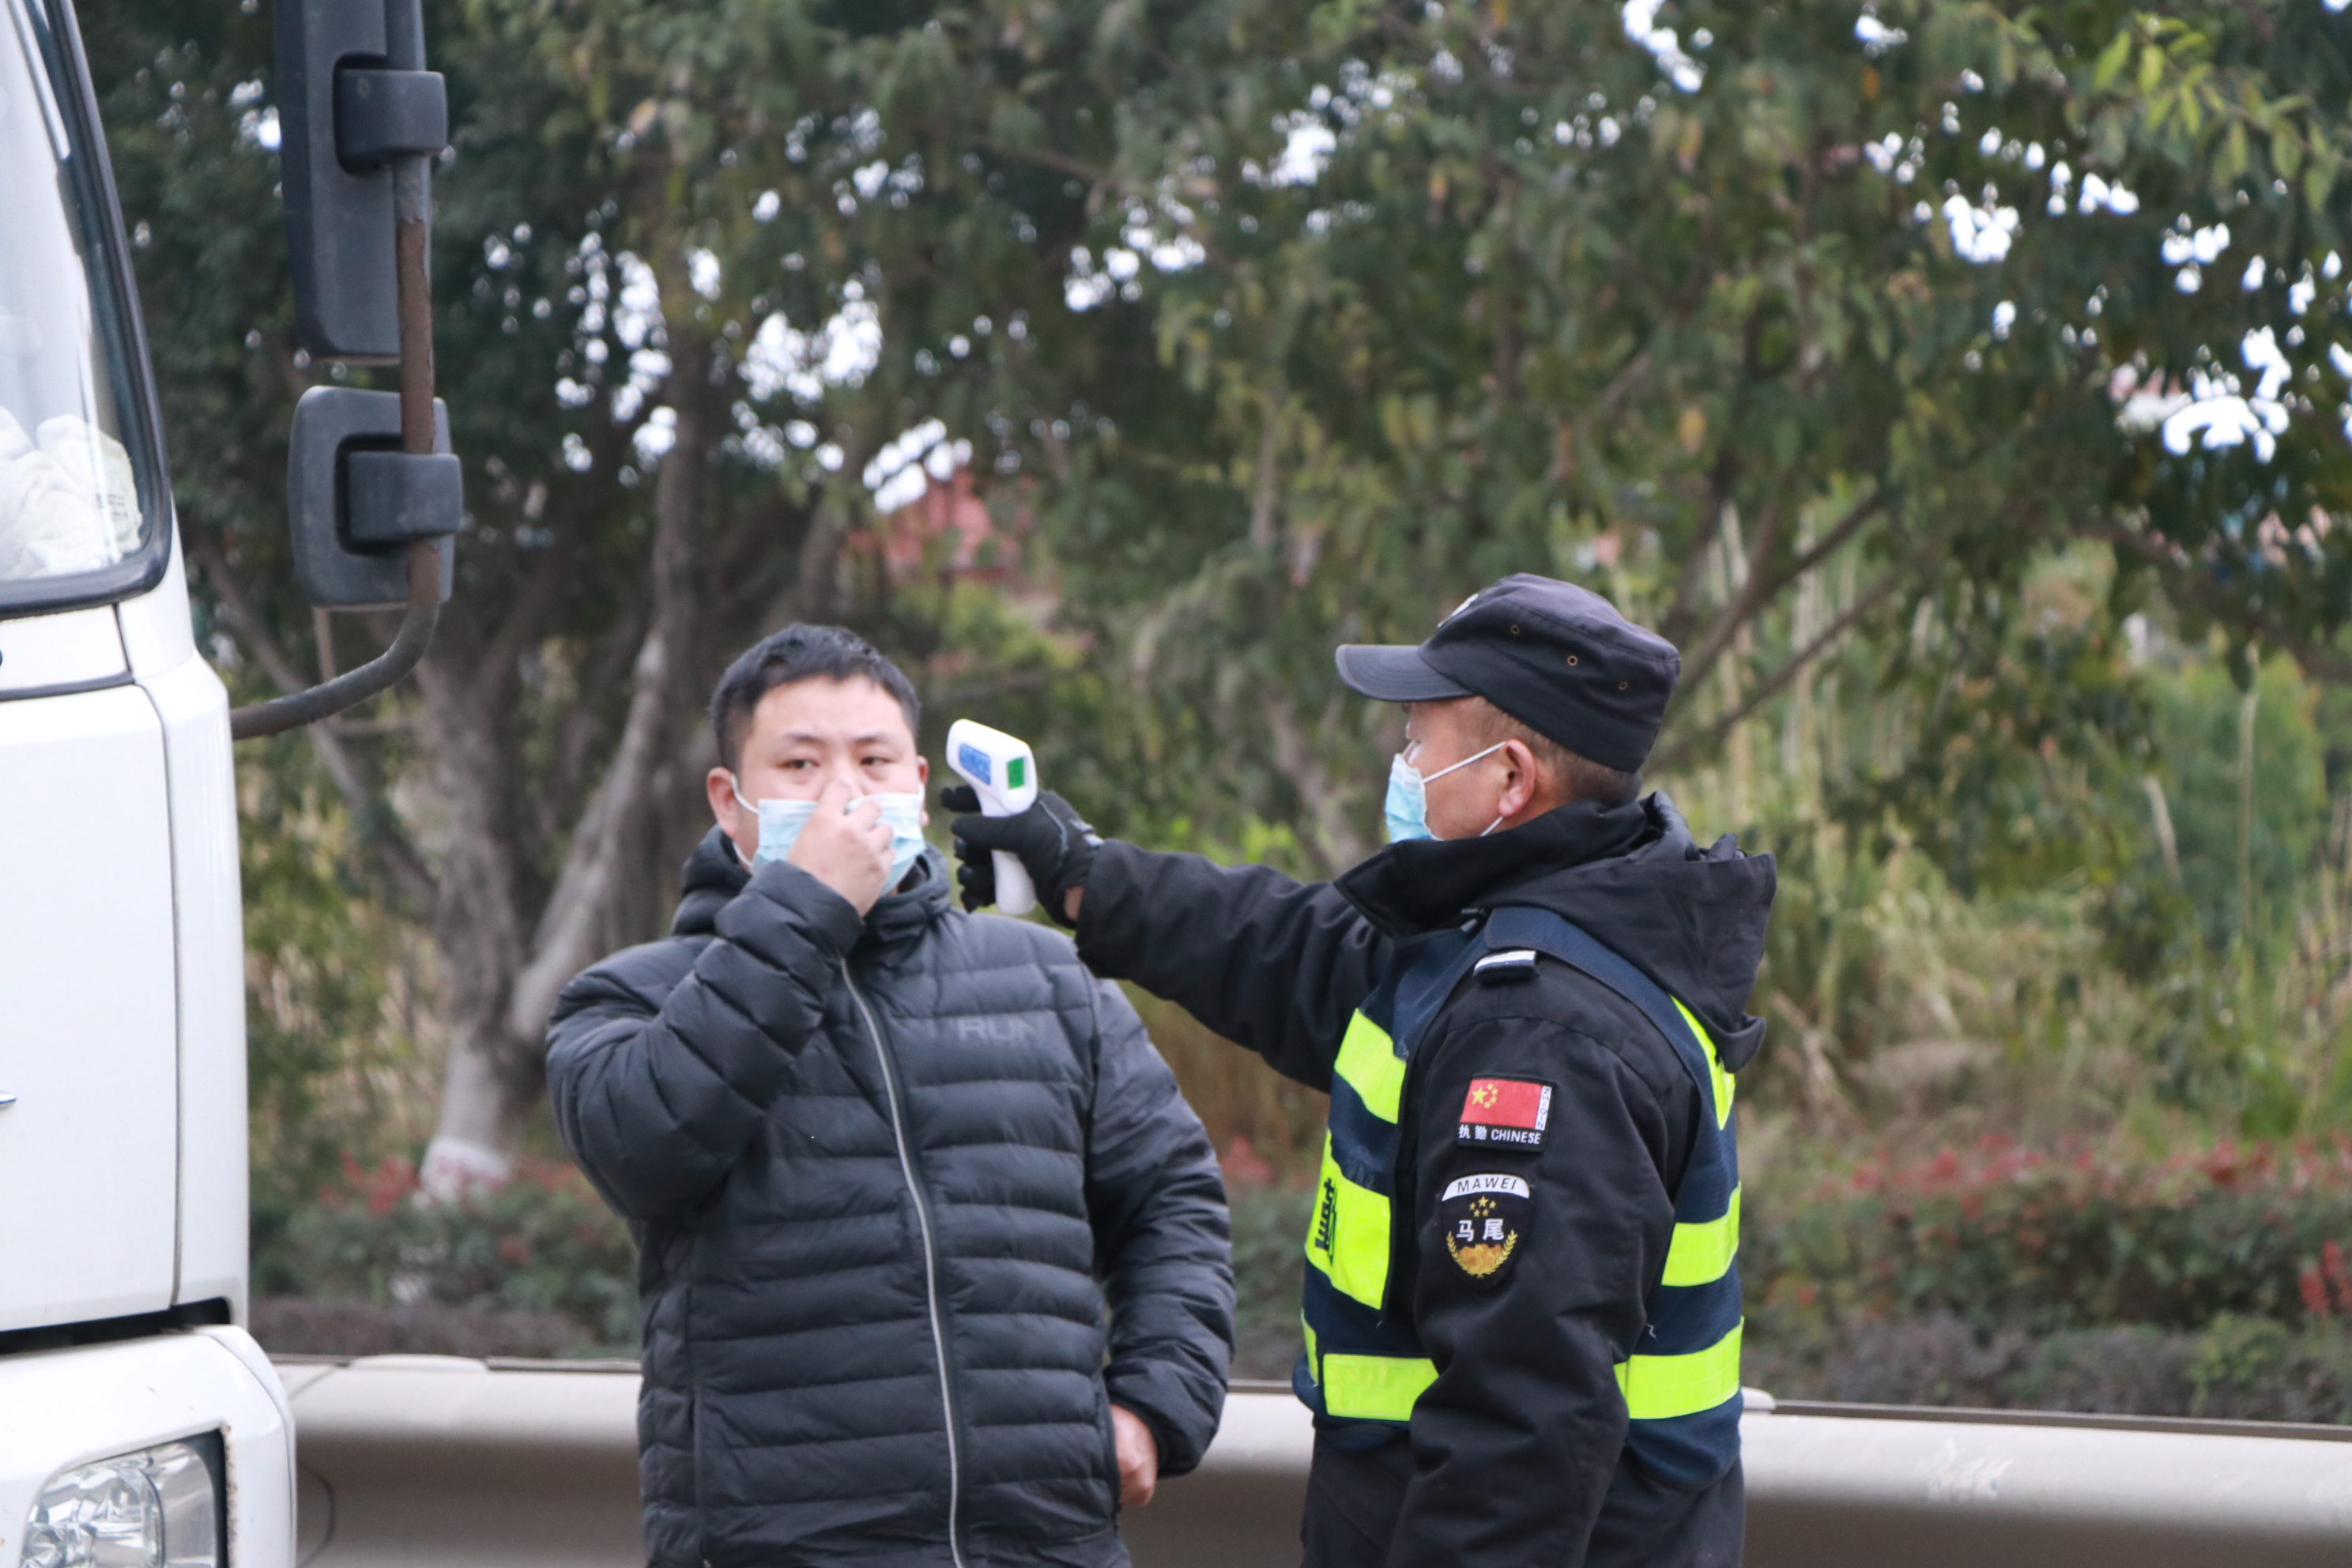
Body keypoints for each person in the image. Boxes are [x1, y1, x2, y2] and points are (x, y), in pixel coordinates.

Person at [949, 574, 1771, 1568]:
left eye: (1419, 740)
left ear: (1510, 780)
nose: (1401, 762)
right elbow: (1291, 953)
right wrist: (1081, 872)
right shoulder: (1520, 927)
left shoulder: (1540, 1038)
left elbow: (1519, 1434)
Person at [545, 624, 1234, 1568]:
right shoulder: (632, 998)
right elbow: (645, 1145)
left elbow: (1173, 1200)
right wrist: (806, 909)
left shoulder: (1048, 979)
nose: (843, 793)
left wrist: (1154, 1404)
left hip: (1044, 1541)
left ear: (916, 782)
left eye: (873, 761)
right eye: (799, 763)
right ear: (730, 802)